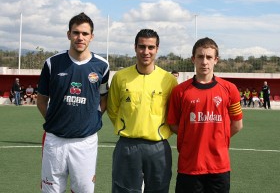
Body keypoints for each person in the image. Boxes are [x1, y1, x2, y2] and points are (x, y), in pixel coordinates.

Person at [37, 12, 110, 193]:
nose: (80, 37)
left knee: (84, 190)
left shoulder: (102, 66)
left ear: (91, 37)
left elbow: (104, 99)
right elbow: (41, 100)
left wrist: (93, 118)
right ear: (68, 34)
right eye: (76, 33)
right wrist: (54, 119)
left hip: (85, 142)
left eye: (85, 34)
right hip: (55, 141)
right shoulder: (52, 63)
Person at [167, 37, 243, 193]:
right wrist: (192, 136)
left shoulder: (230, 89)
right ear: (193, 59)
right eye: (200, 57)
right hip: (189, 167)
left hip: (219, 167)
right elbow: (173, 124)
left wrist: (218, 138)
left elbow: (237, 125)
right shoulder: (179, 91)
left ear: (216, 60)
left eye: (209, 57)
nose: (204, 61)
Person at [107, 29, 178, 193]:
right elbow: (112, 109)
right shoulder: (120, 77)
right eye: (142, 47)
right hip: (127, 145)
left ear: (157, 49)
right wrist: (128, 127)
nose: (146, 52)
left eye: (151, 47)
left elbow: (173, 113)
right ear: (135, 47)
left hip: (158, 147)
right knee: (123, 190)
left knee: (159, 190)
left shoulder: (168, 80)